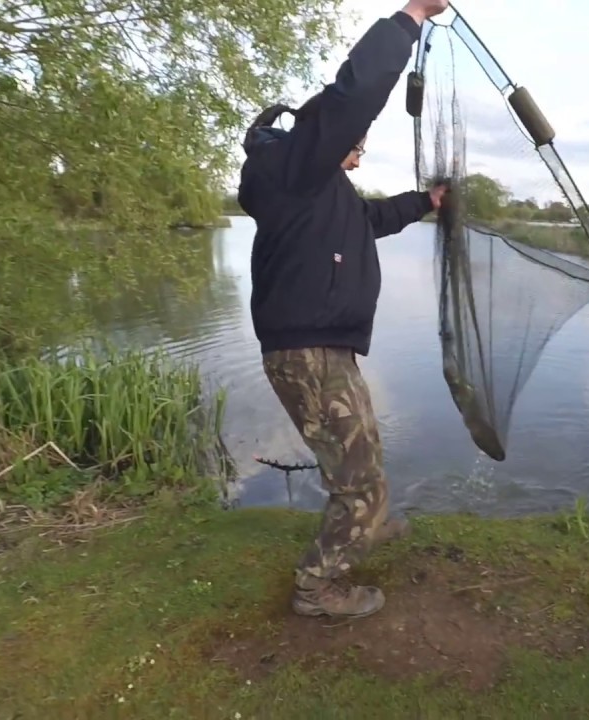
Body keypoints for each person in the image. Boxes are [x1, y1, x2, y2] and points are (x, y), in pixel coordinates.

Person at [236, 0, 451, 620]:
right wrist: (412, 15)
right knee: (356, 477)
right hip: (309, 351)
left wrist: (425, 202)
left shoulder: (319, 192)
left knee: (364, 458)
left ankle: (367, 524)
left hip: (324, 347)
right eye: (353, 143)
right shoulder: (296, 168)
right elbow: (353, 93)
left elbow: (369, 220)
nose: (358, 150)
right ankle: (316, 589)